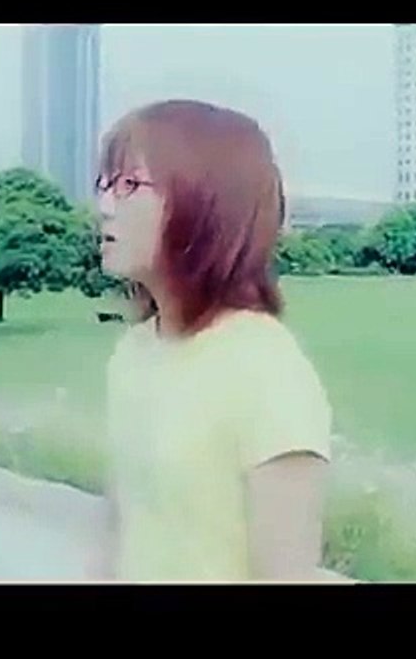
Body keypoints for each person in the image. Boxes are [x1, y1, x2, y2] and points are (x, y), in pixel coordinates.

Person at [94, 100, 349, 583]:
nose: (105, 207)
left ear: (204, 204)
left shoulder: (267, 372)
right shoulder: (133, 352)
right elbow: (119, 532)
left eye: (130, 185)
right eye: (104, 185)